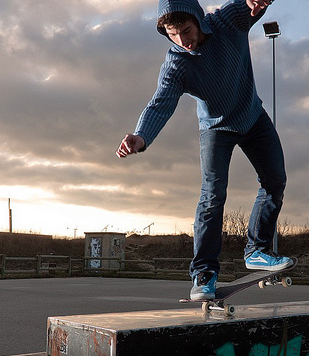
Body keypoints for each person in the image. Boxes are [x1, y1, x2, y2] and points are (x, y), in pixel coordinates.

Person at [116, 0, 293, 301]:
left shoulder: (227, 21)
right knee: (212, 195)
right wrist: (141, 135)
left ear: (198, 20)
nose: (183, 41)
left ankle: (258, 251)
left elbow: (250, 5)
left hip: (253, 117)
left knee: (275, 181)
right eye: (174, 35)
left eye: (187, 31)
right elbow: (160, 104)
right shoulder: (177, 64)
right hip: (215, 129)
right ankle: (204, 272)